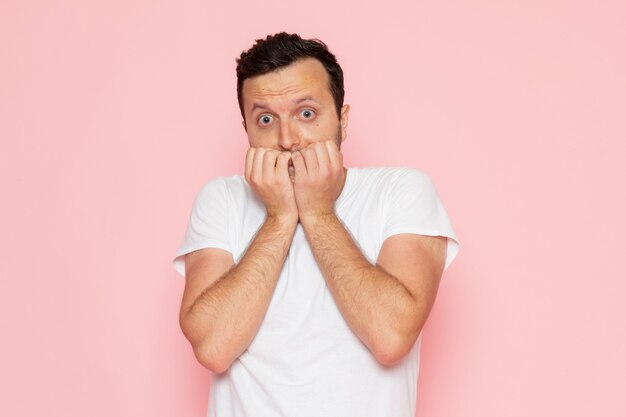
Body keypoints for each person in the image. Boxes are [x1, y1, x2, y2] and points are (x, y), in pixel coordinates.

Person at [172, 32, 460, 417]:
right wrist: (279, 217)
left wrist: (319, 212)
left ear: (342, 119)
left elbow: (391, 336)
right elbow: (213, 347)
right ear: (246, 130)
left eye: (306, 114)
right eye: (265, 119)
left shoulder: (401, 191)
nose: (288, 139)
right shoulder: (221, 200)